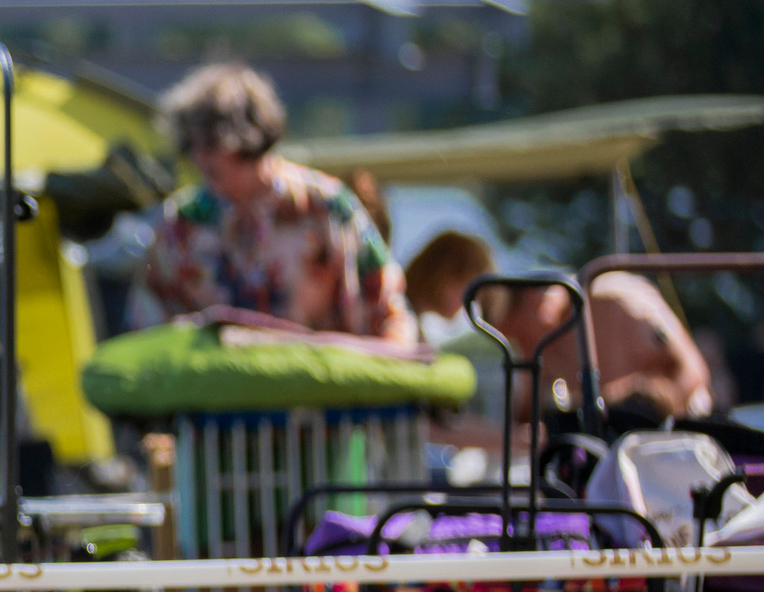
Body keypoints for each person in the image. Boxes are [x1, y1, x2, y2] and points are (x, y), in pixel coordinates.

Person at [141, 62, 416, 342]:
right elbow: (146, 331)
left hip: (318, 381)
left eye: (211, 144)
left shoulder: (325, 206)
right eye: (191, 144)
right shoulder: (180, 222)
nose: (199, 157)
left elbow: (389, 310)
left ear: (249, 135)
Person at [403, 228, 712, 420]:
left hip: (677, 437)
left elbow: (693, 370)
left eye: (512, 324)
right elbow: (528, 415)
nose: (514, 339)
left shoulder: (614, 297)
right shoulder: (541, 353)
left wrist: (645, 408)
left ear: (539, 302)